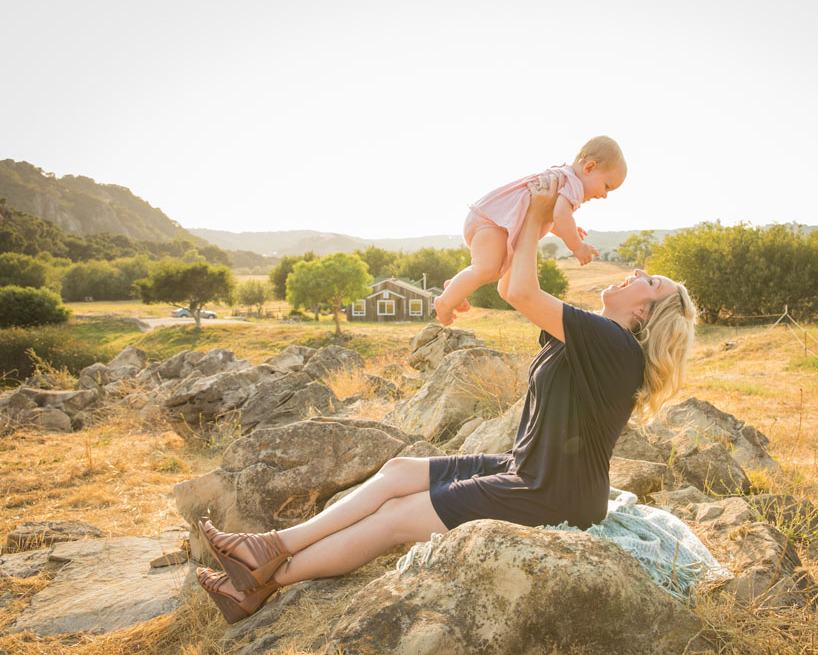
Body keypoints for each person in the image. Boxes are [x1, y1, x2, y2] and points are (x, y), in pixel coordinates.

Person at [195, 172, 697, 623]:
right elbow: (509, 280)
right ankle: (266, 549)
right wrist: (528, 219)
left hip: (552, 493)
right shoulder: (591, 336)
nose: (636, 275)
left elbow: (519, 292)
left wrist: (542, 215)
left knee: (394, 521)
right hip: (527, 468)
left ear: (646, 316)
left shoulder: (611, 343)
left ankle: (261, 586)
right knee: (399, 473)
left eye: (649, 283)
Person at [433, 135, 627, 326]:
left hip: (491, 219)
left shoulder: (563, 176)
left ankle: (456, 289)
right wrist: (578, 247)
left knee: (492, 270)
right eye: (607, 186)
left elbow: (551, 216)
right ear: (589, 167)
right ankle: (444, 302)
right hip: (492, 222)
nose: (604, 196)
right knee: (487, 269)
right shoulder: (574, 184)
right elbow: (561, 215)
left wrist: (565, 229)